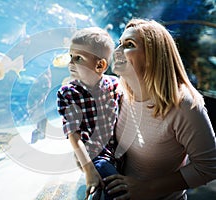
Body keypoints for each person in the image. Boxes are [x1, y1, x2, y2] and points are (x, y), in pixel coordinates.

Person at [104, 18, 216, 200]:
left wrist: (147, 188)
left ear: (153, 55)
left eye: (129, 44)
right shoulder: (118, 91)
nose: (117, 51)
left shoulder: (185, 106)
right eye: (119, 44)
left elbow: (209, 167)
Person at [57, 27, 123, 200]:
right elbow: (74, 135)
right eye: (70, 56)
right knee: (116, 190)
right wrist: (89, 171)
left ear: (100, 65)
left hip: (117, 152)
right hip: (92, 157)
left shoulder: (114, 85)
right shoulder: (69, 93)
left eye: (78, 58)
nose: (70, 63)